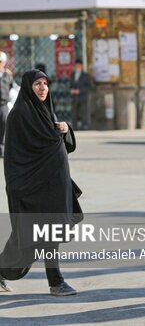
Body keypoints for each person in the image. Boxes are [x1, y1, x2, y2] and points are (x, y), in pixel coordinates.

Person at [0, 70, 82, 296]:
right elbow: (15, 158)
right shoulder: (19, 115)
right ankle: (56, 282)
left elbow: (58, 144)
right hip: (31, 187)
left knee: (44, 233)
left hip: (52, 186)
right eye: (37, 83)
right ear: (28, 87)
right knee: (28, 236)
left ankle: (54, 281)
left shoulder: (46, 112)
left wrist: (65, 130)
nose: (43, 88)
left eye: (45, 83)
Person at [69, 59, 92, 130]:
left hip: (82, 96)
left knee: (84, 111)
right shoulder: (72, 75)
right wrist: (71, 90)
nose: (77, 67)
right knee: (74, 112)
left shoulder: (85, 75)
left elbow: (89, 86)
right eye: (76, 65)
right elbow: (70, 85)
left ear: (81, 66)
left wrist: (80, 91)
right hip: (74, 97)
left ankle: (84, 125)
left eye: (79, 65)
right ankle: (74, 126)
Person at [0, 51, 13, 157]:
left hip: (3, 105)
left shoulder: (7, 74)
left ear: (4, 62)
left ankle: (2, 148)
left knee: (4, 126)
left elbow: (11, 87)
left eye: (1, 62)